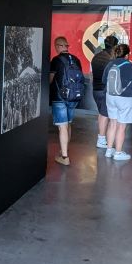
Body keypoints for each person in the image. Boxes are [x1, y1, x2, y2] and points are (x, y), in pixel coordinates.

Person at [49, 36, 84, 166]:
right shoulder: (76, 60)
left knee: (62, 127)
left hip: (59, 98)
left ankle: (64, 157)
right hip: (73, 97)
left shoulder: (56, 60)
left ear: (58, 46)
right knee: (68, 124)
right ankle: (65, 148)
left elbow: (51, 79)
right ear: (67, 46)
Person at [102, 44, 132, 161]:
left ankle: (109, 150)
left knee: (112, 123)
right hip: (125, 98)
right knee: (122, 126)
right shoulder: (129, 65)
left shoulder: (110, 64)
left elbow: (104, 80)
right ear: (127, 55)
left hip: (110, 97)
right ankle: (118, 152)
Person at [90, 34, 118, 149]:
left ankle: (102, 138)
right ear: (115, 46)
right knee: (105, 116)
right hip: (106, 91)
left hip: (96, 89)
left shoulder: (95, 57)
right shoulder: (112, 60)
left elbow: (91, 75)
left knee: (102, 114)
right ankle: (102, 139)